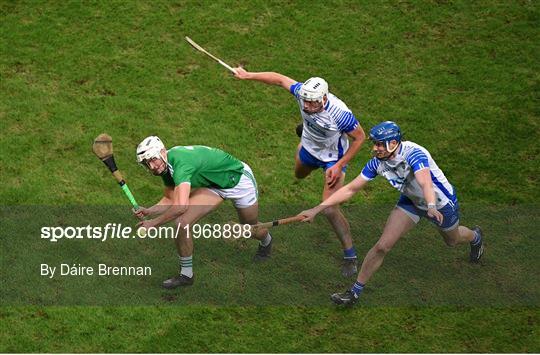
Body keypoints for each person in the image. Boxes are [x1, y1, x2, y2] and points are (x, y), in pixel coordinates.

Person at [298, 121, 485, 305]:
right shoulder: (377, 163)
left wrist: (431, 206)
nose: (375, 148)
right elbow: (350, 189)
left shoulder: (414, 154)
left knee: (452, 240)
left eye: (379, 144)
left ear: (393, 143)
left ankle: (475, 237)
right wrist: (317, 209)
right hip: (411, 201)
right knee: (382, 246)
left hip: (440, 205)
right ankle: (354, 293)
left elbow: (425, 182)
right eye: (375, 144)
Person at [234, 67, 366, 276]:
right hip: (308, 149)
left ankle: (350, 256)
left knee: (330, 209)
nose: (305, 105)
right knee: (299, 174)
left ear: (323, 98)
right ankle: (304, 137)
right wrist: (248, 75)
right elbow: (278, 79)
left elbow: (360, 138)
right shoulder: (303, 94)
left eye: (311, 102)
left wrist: (339, 165)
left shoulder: (340, 115)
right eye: (304, 101)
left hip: (333, 159)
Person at [133, 136, 272, 289]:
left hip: (238, 180)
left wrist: (153, 223)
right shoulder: (166, 166)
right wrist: (149, 211)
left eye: (153, 160)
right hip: (212, 185)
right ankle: (186, 275)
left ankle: (266, 241)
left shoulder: (181, 164)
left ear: (162, 152)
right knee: (181, 223)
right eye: (147, 163)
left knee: (250, 228)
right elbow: (170, 198)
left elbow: (180, 206)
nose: (152, 166)